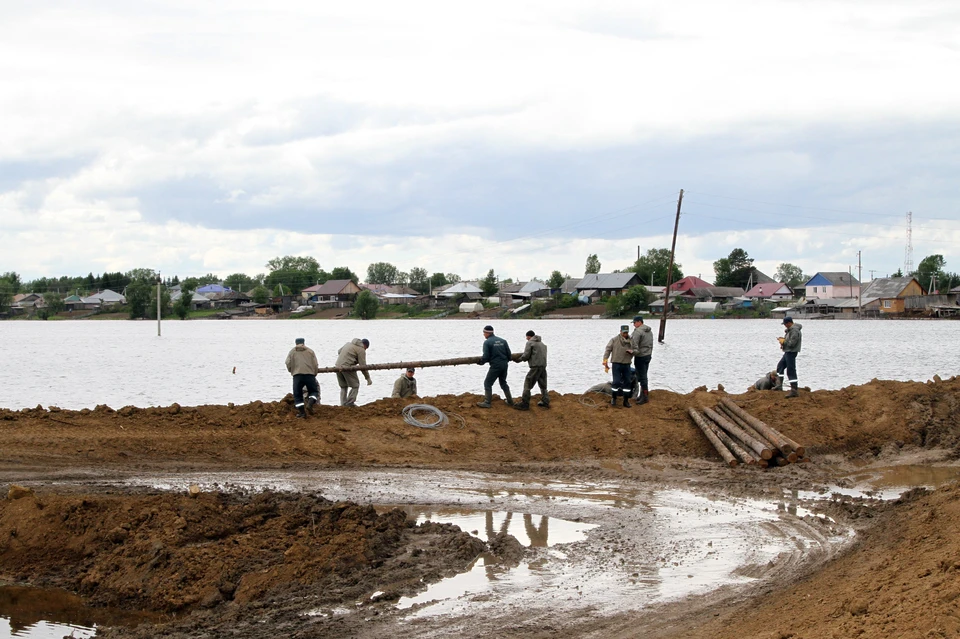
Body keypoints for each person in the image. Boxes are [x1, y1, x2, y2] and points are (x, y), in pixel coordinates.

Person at [477, 325, 512, 408]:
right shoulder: (503, 341)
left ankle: (487, 402)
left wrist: (481, 362)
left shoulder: (487, 342)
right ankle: (510, 401)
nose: (483, 335)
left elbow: (486, 356)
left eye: (484, 333)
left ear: (487, 333)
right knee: (503, 382)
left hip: (495, 365)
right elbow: (509, 355)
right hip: (504, 364)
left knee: (487, 383)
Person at [285, 337, 319, 418]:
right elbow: (315, 364)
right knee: (314, 391)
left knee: (297, 395)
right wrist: (314, 373)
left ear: (296, 343)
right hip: (309, 374)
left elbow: (287, 363)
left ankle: (302, 413)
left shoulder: (292, 352)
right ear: (304, 343)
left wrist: (292, 371)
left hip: (297, 375)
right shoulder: (310, 351)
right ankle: (310, 403)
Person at [514, 330, 548, 410]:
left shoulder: (530, 343)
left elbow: (526, 355)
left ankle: (524, 403)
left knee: (527, 384)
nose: (526, 338)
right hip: (543, 366)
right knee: (543, 385)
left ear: (529, 336)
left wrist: (518, 359)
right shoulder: (542, 344)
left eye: (527, 337)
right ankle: (545, 401)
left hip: (535, 367)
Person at [602, 325, 635, 407]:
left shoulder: (631, 341)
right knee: (616, 382)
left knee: (627, 382)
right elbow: (608, 349)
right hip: (616, 363)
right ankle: (614, 398)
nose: (625, 334)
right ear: (620, 331)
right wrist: (605, 360)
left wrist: (632, 351)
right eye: (624, 332)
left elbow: (636, 349)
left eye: (626, 332)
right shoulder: (614, 340)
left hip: (627, 364)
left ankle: (626, 401)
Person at [335, 338, 372, 407]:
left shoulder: (348, 344)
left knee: (343, 386)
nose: (365, 350)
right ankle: (350, 403)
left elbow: (339, 351)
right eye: (366, 348)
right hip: (347, 367)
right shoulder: (361, 350)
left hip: (337, 366)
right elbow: (363, 366)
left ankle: (343, 404)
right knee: (355, 385)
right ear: (365, 346)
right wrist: (367, 378)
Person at [776, 317, 803, 398]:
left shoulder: (794, 331)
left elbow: (792, 344)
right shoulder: (790, 330)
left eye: (785, 324)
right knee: (780, 366)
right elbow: (789, 341)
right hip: (787, 352)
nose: (784, 326)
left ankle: (794, 390)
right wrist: (783, 340)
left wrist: (783, 342)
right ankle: (779, 385)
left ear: (788, 323)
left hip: (791, 352)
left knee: (791, 370)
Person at [630, 315, 654, 405]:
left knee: (642, 376)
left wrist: (631, 352)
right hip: (648, 355)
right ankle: (642, 395)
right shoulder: (649, 331)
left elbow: (634, 344)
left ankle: (645, 396)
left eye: (635, 323)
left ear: (639, 322)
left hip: (640, 356)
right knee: (644, 374)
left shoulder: (638, 331)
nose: (634, 325)